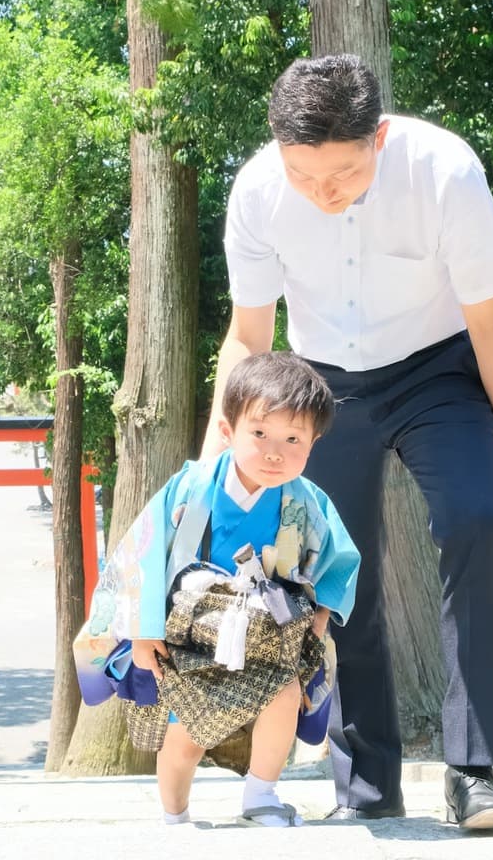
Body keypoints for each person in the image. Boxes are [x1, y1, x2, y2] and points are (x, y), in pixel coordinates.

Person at [200, 54, 493, 830]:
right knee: (337, 569)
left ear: (379, 138)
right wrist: (222, 455)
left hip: (439, 369)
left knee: (479, 522)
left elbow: (489, 326)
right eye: (303, 175)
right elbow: (247, 338)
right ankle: (368, 784)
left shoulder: (445, 172)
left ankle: (474, 771)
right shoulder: (257, 192)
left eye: (343, 173)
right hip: (323, 383)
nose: (323, 193)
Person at [74, 351, 360, 827]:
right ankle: (175, 815)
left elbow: (339, 560)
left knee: (285, 695)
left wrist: (320, 616)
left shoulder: (305, 500)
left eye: (294, 439)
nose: (275, 452)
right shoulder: (192, 488)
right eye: (260, 434)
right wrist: (144, 633)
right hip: (193, 632)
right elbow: (141, 553)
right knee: (184, 735)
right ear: (228, 432)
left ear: (314, 442)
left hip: (267, 632)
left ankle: (261, 796)